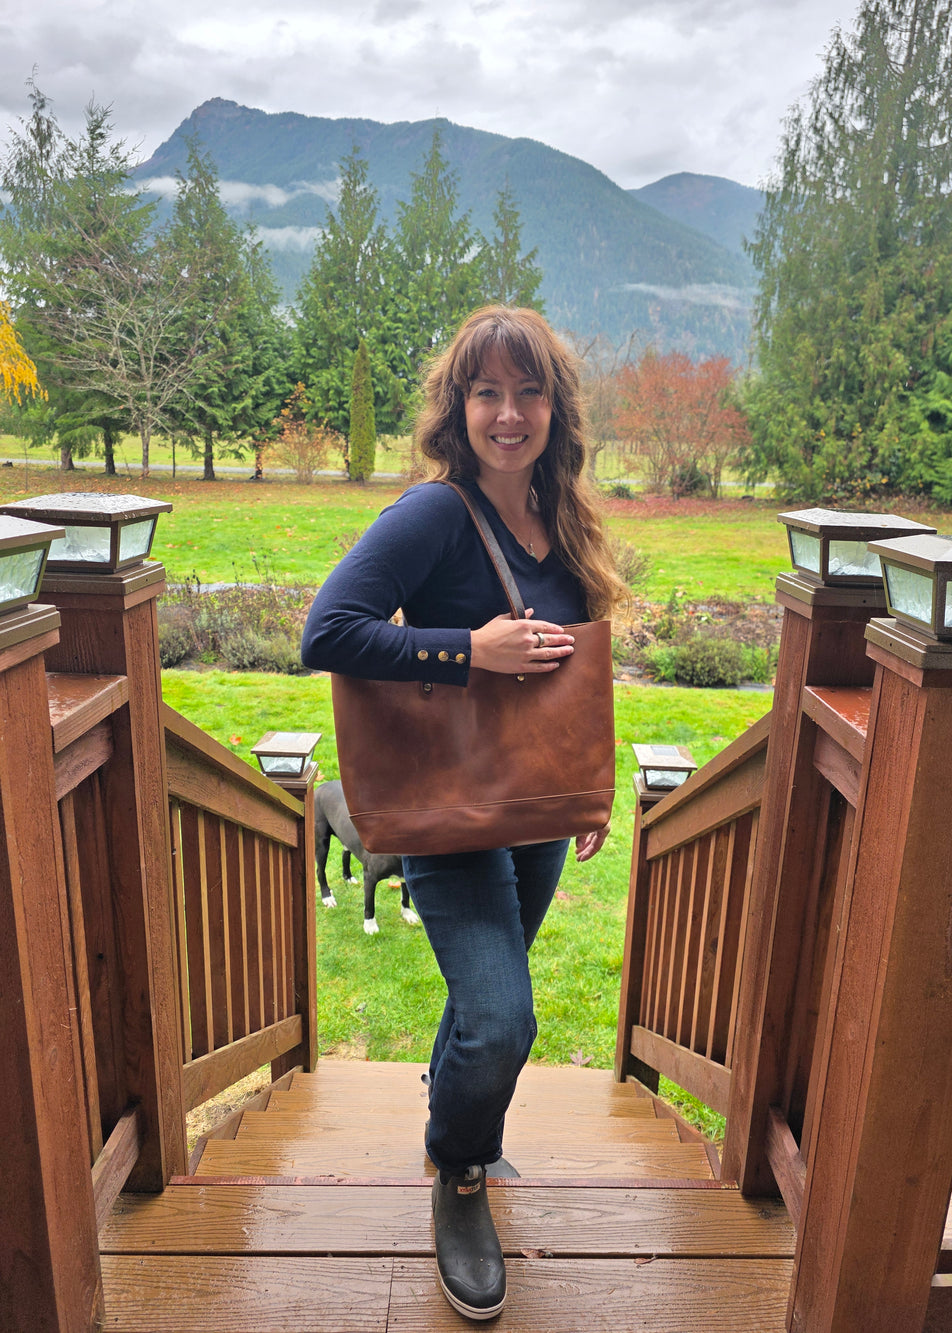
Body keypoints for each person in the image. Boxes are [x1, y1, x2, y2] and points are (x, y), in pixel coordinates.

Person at [301, 305, 628, 1321]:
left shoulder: (563, 515)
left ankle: (461, 1125)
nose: (509, 412)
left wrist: (590, 782)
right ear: (459, 406)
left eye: (528, 391)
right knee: (500, 1013)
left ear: (555, 407)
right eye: (487, 390)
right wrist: (464, 649)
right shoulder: (433, 514)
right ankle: (460, 1171)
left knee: (483, 1007)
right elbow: (328, 631)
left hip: (532, 800)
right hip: (448, 803)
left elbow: (570, 668)